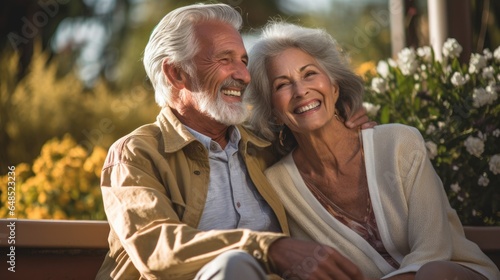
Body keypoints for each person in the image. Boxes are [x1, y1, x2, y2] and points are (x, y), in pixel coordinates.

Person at [96, 4, 374, 280]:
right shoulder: (135, 154)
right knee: (234, 266)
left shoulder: (266, 147)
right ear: (176, 73)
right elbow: (157, 248)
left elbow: (321, 146)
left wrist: (344, 129)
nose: (244, 75)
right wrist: (267, 247)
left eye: (243, 60)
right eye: (224, 59)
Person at [245, 21, 500, 280]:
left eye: (309, 74)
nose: (301, 91)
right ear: (274, 111)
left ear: (334, 87)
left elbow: (432, 252)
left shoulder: (399, 143)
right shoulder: (278, 186)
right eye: (282, 85)